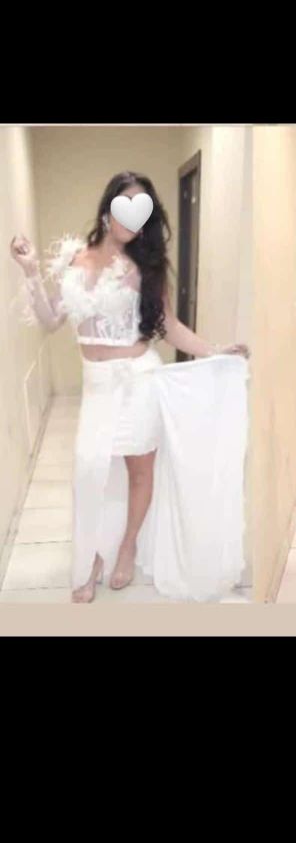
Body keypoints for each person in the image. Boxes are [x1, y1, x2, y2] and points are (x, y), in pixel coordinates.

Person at [11, 170, 250, 603]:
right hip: (97, 386)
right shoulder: (74, 260)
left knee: (140, 471)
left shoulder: (146, 268)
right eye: (127, 207)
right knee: (90, 471)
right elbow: (49, 321)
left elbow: (169, 327)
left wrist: (215, 351)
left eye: (144, 212)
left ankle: (127, 546)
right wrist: (29, 271)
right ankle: (89, 560)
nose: (135, 220)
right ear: (108, 210)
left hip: (139, 380)